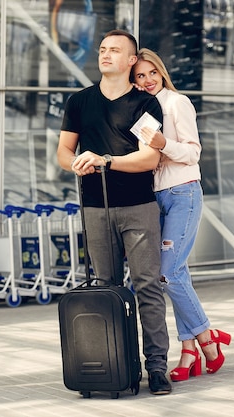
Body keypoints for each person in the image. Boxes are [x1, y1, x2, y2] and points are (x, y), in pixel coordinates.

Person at [57, 30, 172, 395]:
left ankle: (156, 367)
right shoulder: (79, 102)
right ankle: (118, 366)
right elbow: (62, 151)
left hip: (139, 208)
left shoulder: (145, 105)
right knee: (105, 289)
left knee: (148, 288)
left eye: (115, 50)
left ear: (131, 60)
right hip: (95, 208)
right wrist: (76, 163)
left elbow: (149, 157)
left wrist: (106, 160)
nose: (105, 55)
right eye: (103, 49)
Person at [133, 48, 231, 382]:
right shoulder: (140, 110)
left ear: (161, 73)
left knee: (168, 273)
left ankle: (207, 338)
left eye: (151, 74)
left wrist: (162, 143)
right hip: (154, 198)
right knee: (178, 275)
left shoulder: (177, 102)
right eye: (139, 76)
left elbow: (192, 152)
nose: (146, 81)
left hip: (183, 193)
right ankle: (189, 350)